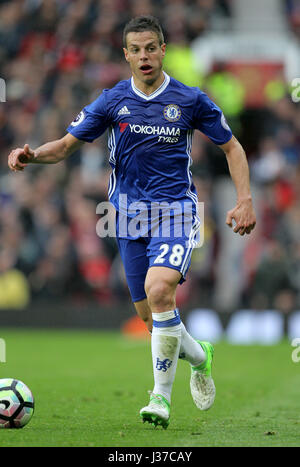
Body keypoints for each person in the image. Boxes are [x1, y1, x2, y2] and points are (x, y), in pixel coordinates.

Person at [8, 16, 256, 429]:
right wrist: (33, 155)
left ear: (162, 50)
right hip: (126, 217)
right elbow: (67, 145)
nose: (144, 56)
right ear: (126, 55)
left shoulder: (190, 100)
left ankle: (159, 398)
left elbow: (232, 148)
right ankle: (200, 356)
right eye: (135, 50)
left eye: (151, 48)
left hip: (176, 212)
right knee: (151, 318)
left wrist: (244, 200)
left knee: (160, 291)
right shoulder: (111, 100)